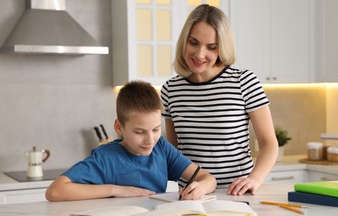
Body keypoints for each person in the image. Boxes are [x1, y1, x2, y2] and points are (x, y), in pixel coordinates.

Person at [160, 4, 278, 196]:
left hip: (236, 195)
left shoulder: (244, 82)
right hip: (191, 195)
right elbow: (173, 153)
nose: (199, 54)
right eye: (193, 42)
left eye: (211, 47)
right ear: (184, 41)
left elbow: (269, 143)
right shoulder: (170, 90)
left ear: (222, 47)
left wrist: (254, 179)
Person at [46, 80, 216, 202]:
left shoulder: (161, 148)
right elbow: (55, 191)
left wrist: (199, 188)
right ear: (119, 127)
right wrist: (115, 190)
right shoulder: (106, 157)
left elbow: (207, 178)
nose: (150, 140)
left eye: (156, 130)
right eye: (139, 132)